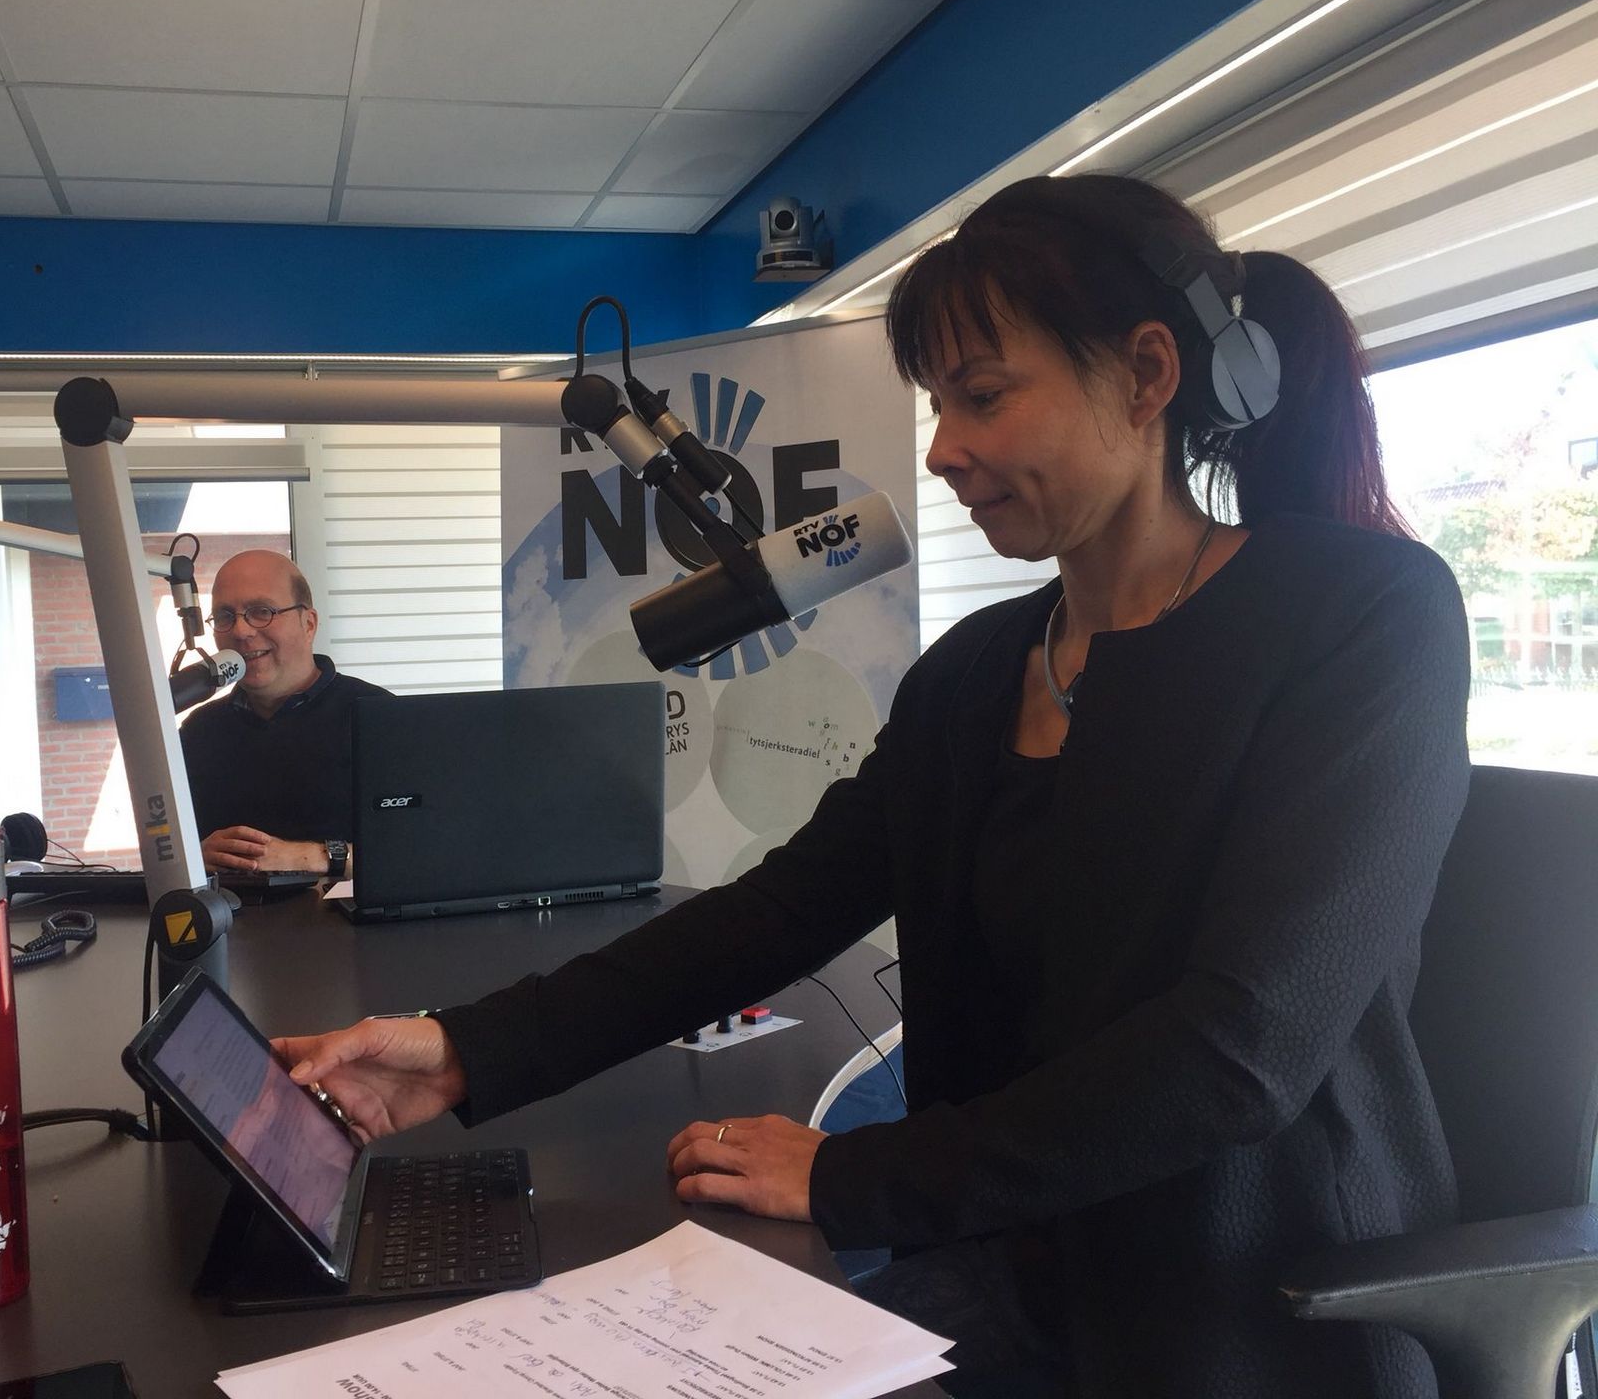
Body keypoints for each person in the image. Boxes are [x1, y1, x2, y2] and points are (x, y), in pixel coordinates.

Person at [269, 175, 1470, 1398]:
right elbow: (783, 910)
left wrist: (852, 1175)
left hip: (1249, 1313)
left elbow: (1244, 1051)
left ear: (1148, 374)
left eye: (984, 396)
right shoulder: (980, 670)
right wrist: (463, 1051)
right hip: (1006, 1271)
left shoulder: (1365, 615)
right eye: (938, 404)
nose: (942, 450)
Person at [178, 549, 389, 876]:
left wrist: (309, 857)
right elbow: (170, 852)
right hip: (230, 910)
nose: (241, 631)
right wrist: (191, 860)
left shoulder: (380, 717)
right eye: (225, 616)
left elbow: (420, 851)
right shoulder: (198, 731)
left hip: (340, 910)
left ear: (309, 624)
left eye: (261, 611)